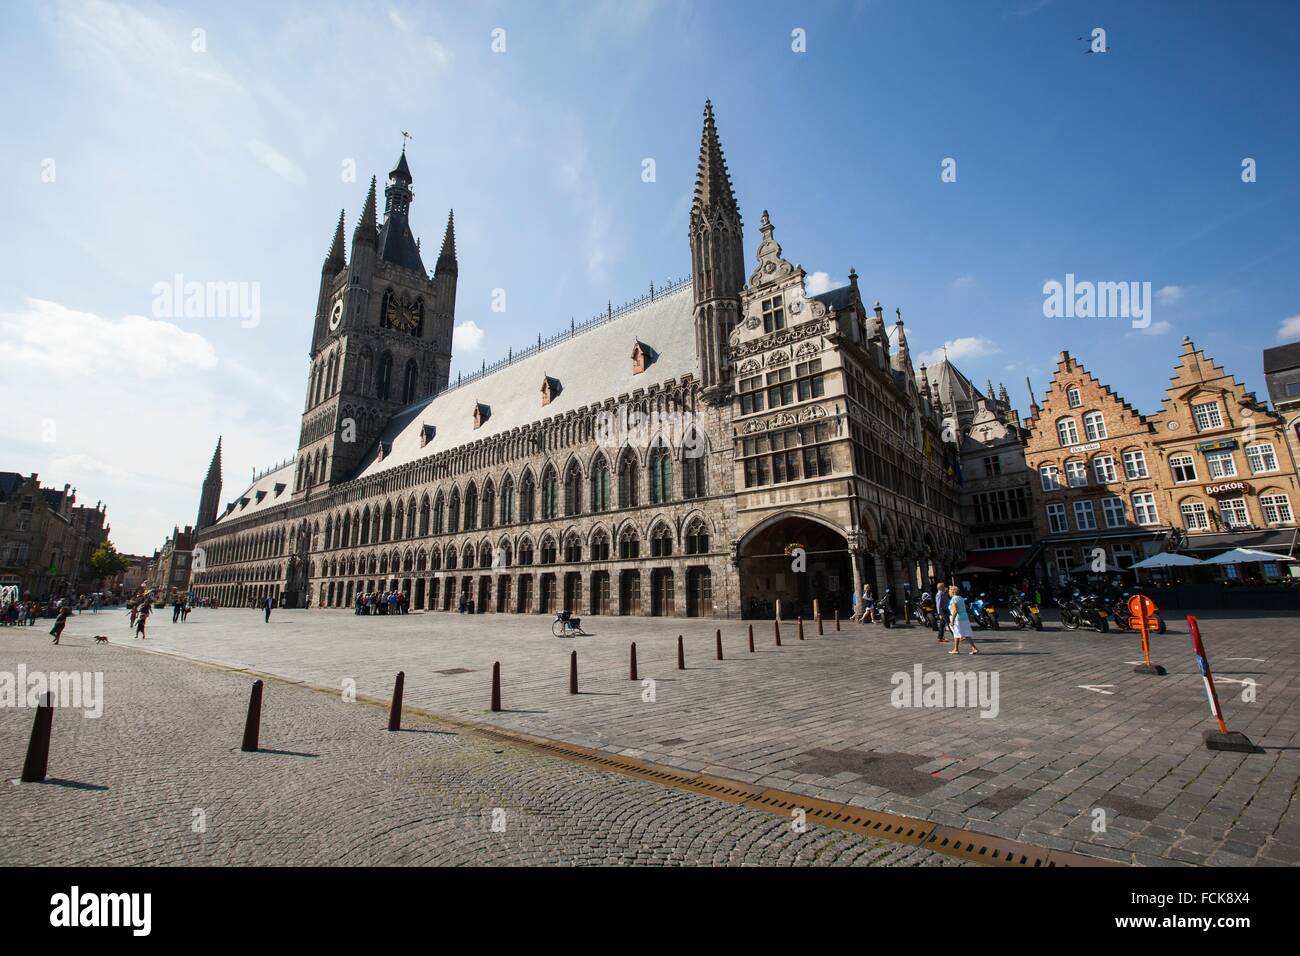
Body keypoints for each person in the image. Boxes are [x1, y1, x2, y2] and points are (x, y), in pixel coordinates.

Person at [947, 584, 978, 655]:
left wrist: (952, 621)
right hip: (964, 617)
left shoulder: (953, 599)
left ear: (953, 592)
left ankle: (956, 649)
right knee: (966, 633)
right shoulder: (961, 598)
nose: (949, 592)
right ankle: (974, 648)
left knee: (956, 634)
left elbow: (955, 610)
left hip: (958, 619)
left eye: (949, 591)